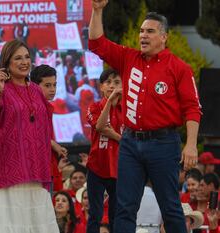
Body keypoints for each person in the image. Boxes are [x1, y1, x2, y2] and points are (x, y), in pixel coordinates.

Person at [89, 1, 202, 233]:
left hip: (164, 143)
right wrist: (97, 10)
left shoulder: (179, 68)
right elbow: (96, 43)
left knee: (170, 207)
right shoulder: (128, 58)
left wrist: (191, 145)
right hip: (130, 143)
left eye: (149, 31)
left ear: (164, 37)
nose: (143, 35)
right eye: (141, 31)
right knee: (124, 207)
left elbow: (192, 108)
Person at [0, 39, 59, 233]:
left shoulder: (37, 91)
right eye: (18, 58)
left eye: (27, 57)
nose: (24, 62)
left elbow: (41, 126)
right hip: (5, 171)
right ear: (7, 63)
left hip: (34, 171)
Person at [86, 68, 122, 233]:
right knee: (95, 213)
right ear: (101, 87)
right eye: (108, 82)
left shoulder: (128, 111)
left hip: (119, 170)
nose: (112, 86)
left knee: (117, 214)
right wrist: (110, 102)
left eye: (116, 82)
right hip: (96, 168)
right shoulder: (94, 107)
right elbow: (101, 127)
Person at [30, 64, 68, 192]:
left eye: (54, 85)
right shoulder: (31, 107)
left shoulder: (47, 106)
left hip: (48, 166)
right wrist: (53, 144)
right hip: (36, 170)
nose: (52, 89)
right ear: (35, 86)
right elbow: (31, 132)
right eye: (47, 85)